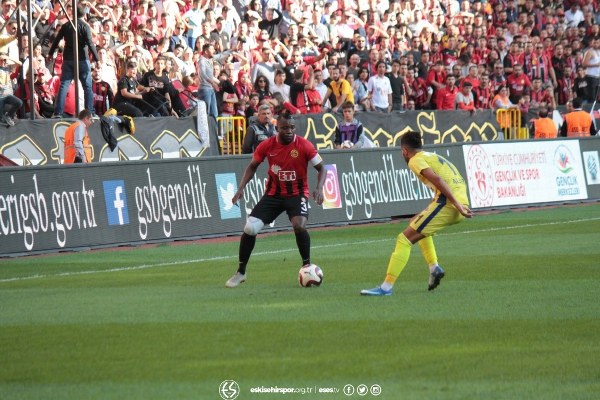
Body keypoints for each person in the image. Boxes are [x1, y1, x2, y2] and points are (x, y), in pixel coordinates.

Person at [361, 131, 473, 296]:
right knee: (417, 225)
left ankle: (386, 287)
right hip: (457, 201)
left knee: (404, 239)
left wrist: (456, 204)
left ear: (404, 151)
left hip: (450, 204)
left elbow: (438, 180)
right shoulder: (431, 156)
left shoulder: (415, 160)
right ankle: (434, 268)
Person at [225, 112, 326, 288]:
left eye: (292, 127)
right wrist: (241, 188)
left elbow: (322, 168)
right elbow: (252, 166)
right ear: (277, 128)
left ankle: (307, 266)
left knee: (299, 225)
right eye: (285, 128)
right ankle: (241, 272)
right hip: (273, 195)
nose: (289, 131)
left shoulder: (304, 145)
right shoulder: (267, 145)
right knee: (250, 228)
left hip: (297, 194)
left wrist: (319, 188)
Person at [47, 5, 100, 118]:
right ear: (84, 15)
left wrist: (50, 53)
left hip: (68, 59)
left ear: (73, 14)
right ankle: (90, 112)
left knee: (64, 85)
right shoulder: (85, 26)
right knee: (87, 87)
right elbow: (90, 43)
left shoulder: (66, 25)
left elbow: (56, 40)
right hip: (82, 59)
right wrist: (97, 59)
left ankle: (58, 112)